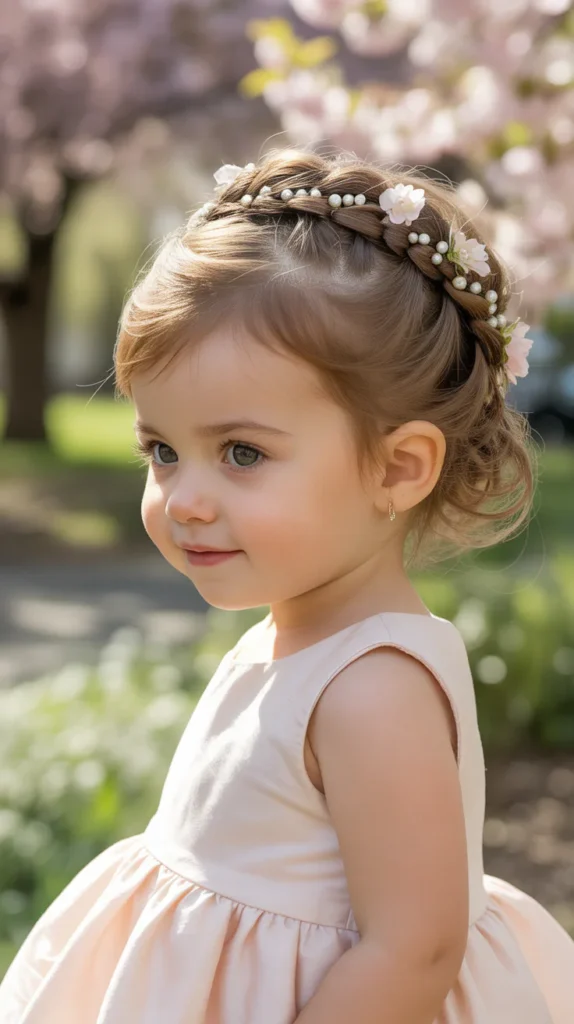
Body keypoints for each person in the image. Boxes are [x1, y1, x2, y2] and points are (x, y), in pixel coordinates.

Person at [1, 147, 572, 1024]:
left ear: (398, 467)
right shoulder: (300, 635)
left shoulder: (373, 687)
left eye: (242, 454)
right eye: (161, 450)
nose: (183, 499)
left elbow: (413, 948)